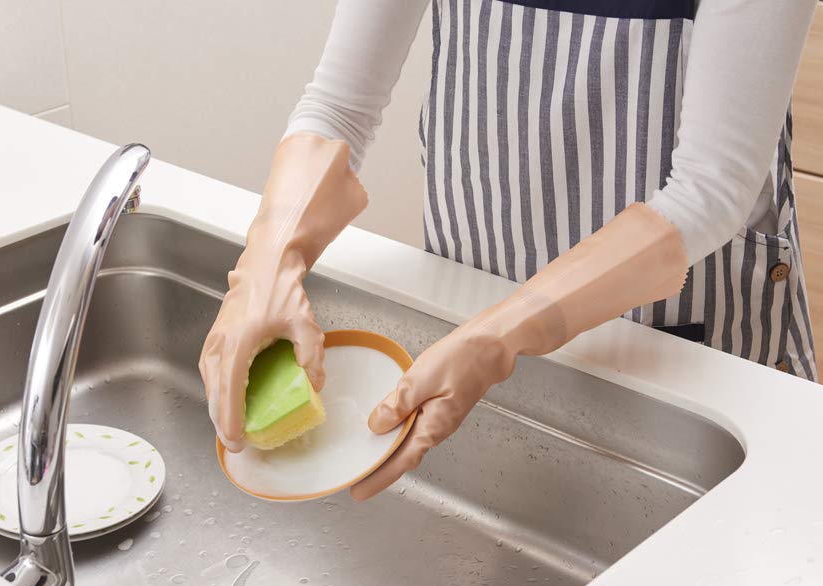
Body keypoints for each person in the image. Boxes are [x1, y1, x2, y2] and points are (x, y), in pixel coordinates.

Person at [199, 0, 817, 500]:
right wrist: (264, 267)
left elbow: (709, 189)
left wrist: (498, 339)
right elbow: (340, 105)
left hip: (676, 349)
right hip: (464, 309)